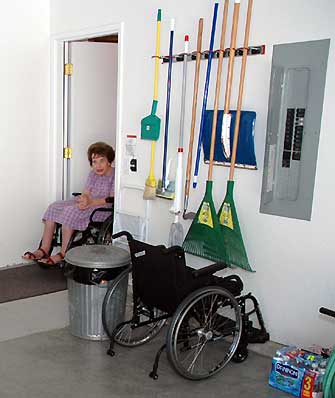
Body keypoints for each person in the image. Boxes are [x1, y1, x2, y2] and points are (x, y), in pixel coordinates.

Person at [22, 141, 115, 267]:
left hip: (102, 207)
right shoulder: (93, 174)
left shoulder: (115, 175)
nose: (98, 165)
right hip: (89, 202)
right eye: (94, 162)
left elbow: (111, 199)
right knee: (54, 207)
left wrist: (91, 202)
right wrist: (84, 199)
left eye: (101, 160)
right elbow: (86, 192)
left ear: (109, 161)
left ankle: (63, 254)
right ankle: (44, 249)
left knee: (70, 211)